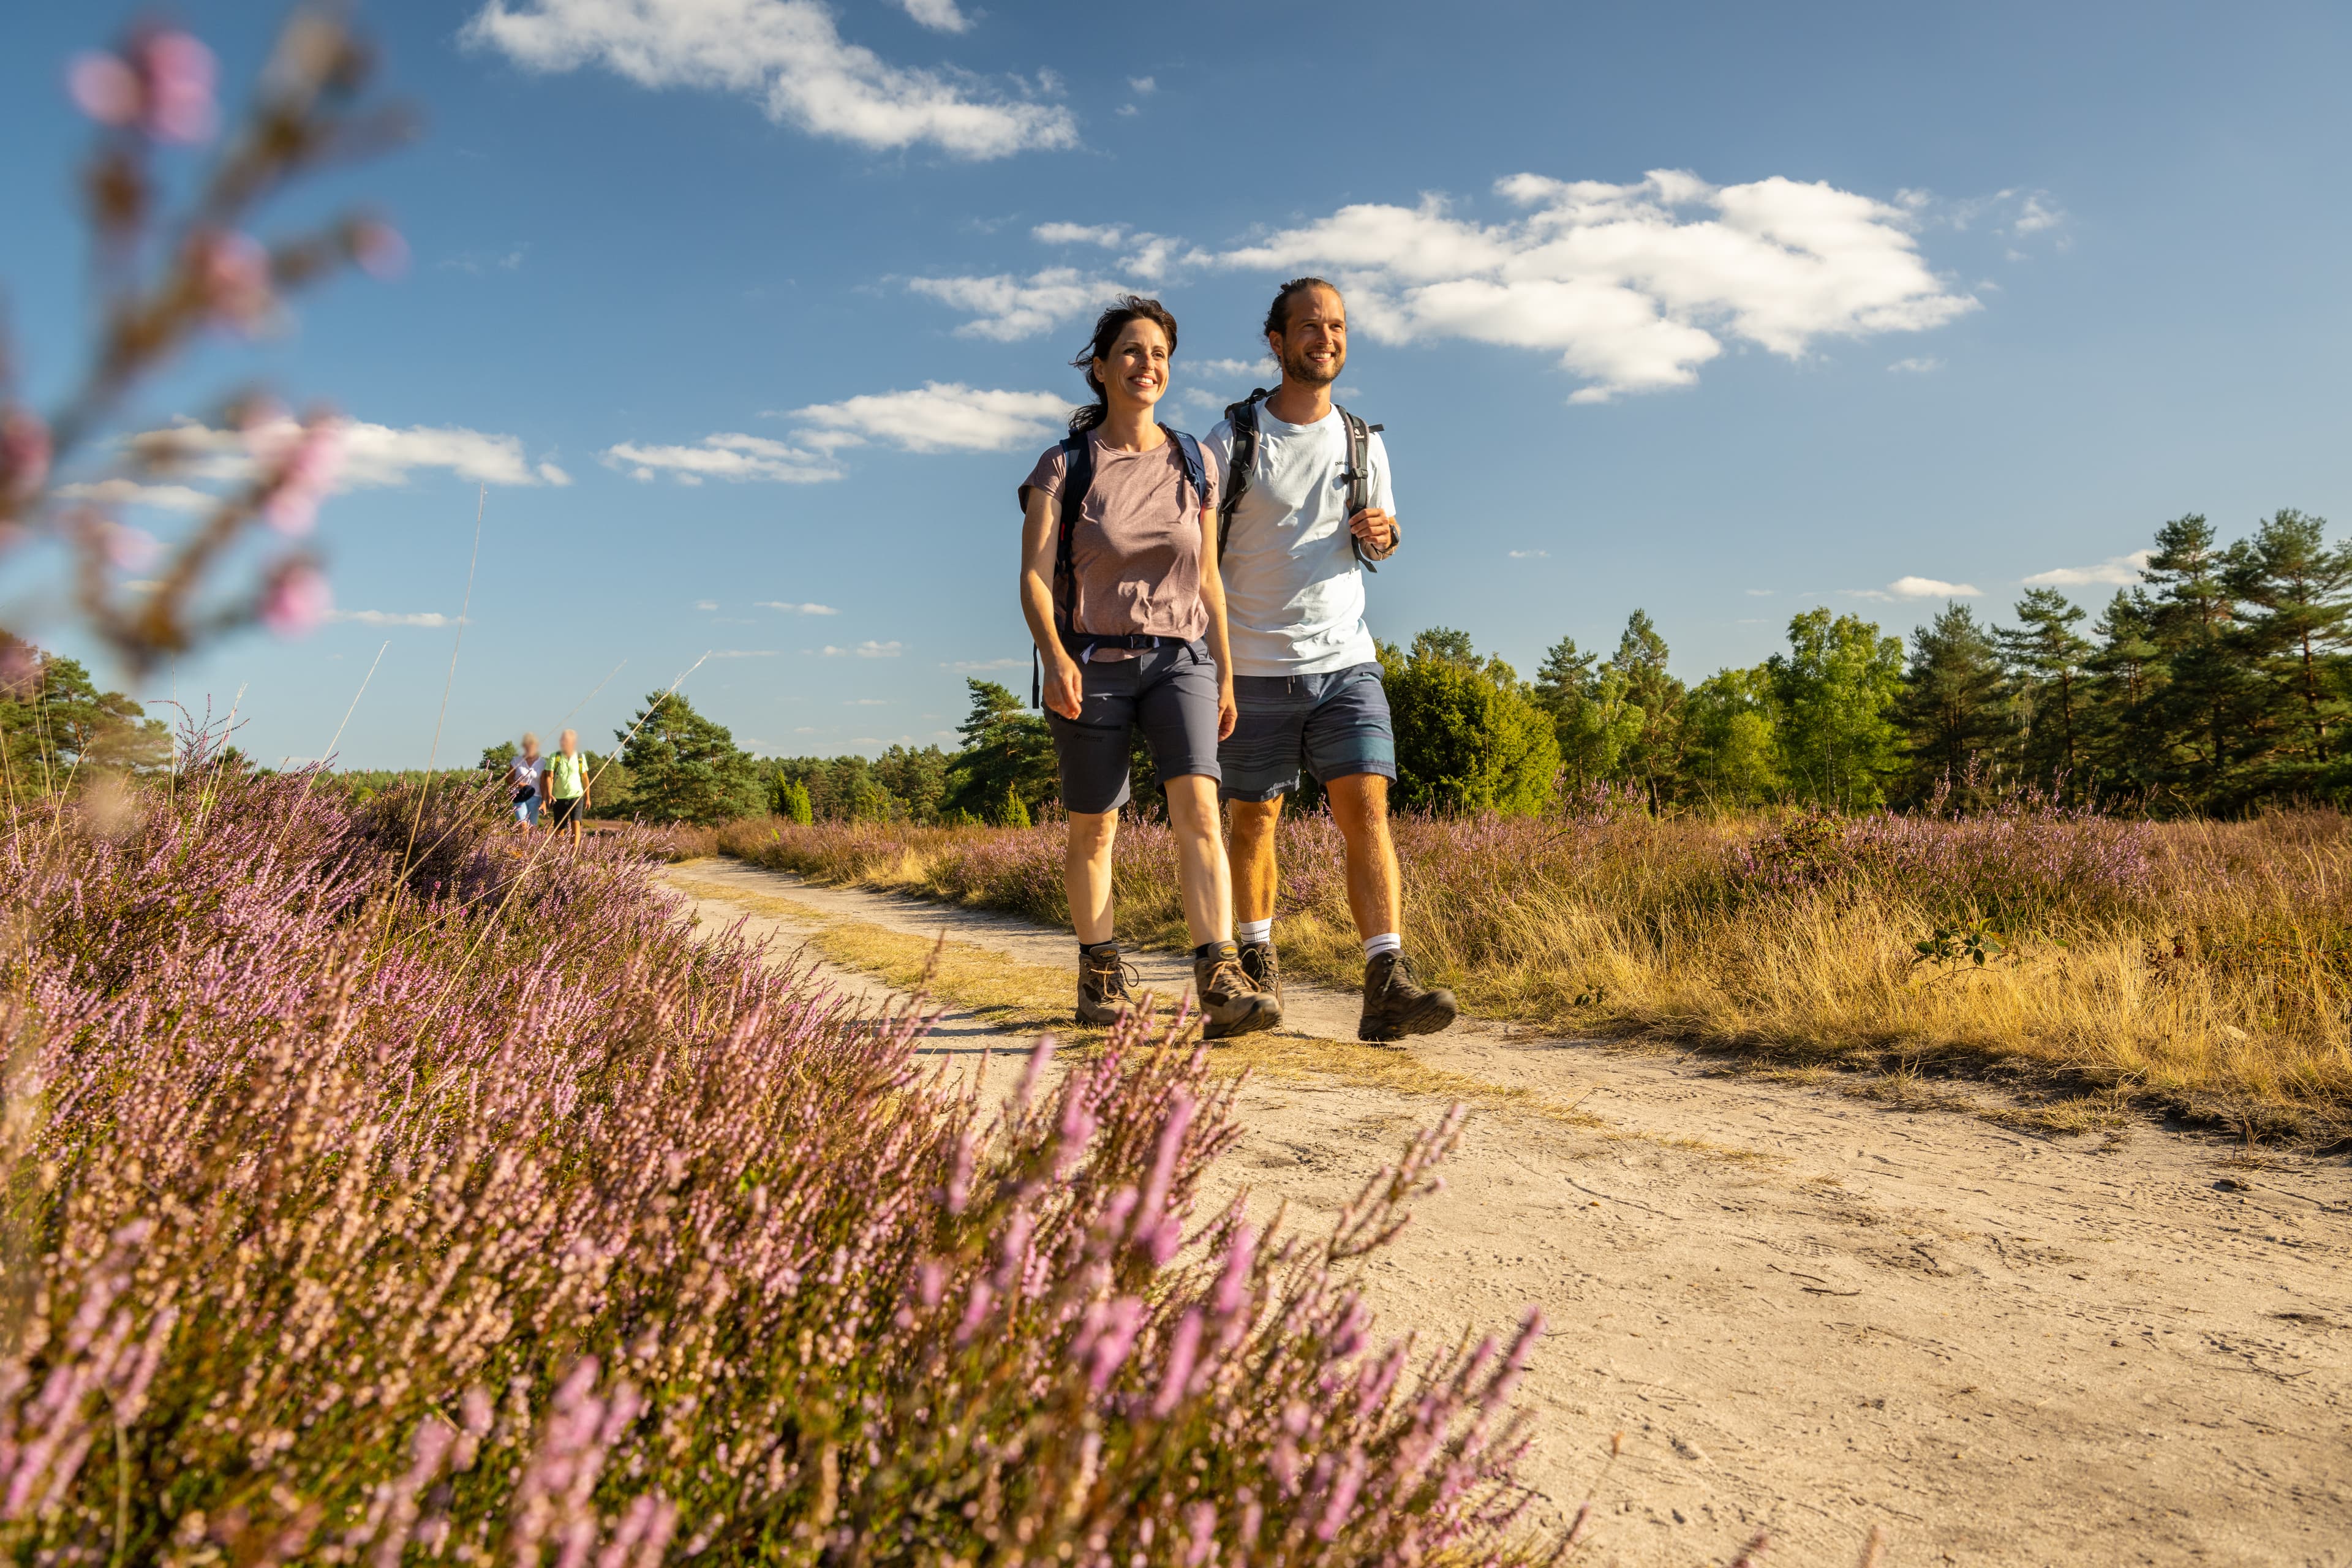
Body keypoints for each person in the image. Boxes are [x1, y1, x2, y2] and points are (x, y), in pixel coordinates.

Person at [1019, 295, 1278, 1040]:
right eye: (1132, 351)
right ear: (1101, 369)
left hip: (1182, 661)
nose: (1148, 364)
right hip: (1093, 661)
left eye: (1159, 352)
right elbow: (1035, 576)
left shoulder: (1192, 459)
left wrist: (1225, 671)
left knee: (1200, 811)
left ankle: (1220, 974)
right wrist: (1056, 657)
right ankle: (1099, 975)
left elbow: (1209, 579)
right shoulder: (1063, 465)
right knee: (1094, 830)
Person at [1208, 277, 1458, 1044]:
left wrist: (1386, 535)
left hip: (1347, 658)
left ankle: (1386, 981)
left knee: (1369, 808)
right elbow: (1198, 552)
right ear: (1277, 343)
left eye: (1338, 326)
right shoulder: (1231, 440)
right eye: (1310, 326)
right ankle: (1255, 963)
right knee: (1253, 819)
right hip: (1251, 662)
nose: (1327, 337)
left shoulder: (1363, 440)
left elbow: (1379, 537)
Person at [544, 728, 589, 846]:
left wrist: (588, 797)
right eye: (562, 740)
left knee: (576, 824)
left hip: (577, 796)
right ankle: (559, 854)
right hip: (559, 797)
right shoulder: (555, 757)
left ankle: (572, 855)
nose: (563, 743)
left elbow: (585, 778)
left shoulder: (580, 757)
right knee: (560, 829)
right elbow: (549, 777)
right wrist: (549, 794)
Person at [507, 732, 545, 830]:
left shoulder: (543, 763)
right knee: (523, 825)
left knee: (532, 827)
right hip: (519, 796)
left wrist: (544, 801)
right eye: (528, 745)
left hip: (536, 798)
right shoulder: (516, 760)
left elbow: (544, 783)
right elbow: (508, 779)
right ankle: (521, 844)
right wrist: (520, 785)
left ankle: (531, 845)